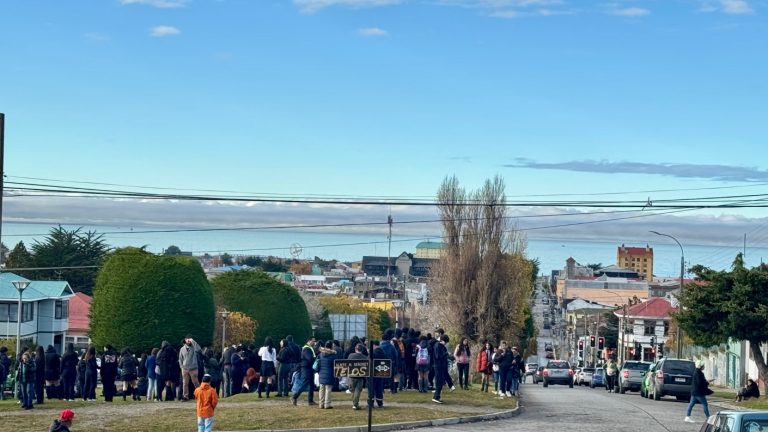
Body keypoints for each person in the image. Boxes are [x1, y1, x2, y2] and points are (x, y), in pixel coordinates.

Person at [291, 337, 317, 406]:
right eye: (313, 341)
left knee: (311, 384)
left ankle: (310, 400)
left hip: (309, 368)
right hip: (306, 368)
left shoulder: (309, 348)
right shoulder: (306, 349)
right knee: (305, 383)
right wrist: (315, 358)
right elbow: (310, 358)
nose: (314, 342)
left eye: (315, 341)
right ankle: (294, 396)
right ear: (309, 341)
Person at [179, 337, 202, 401]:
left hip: (193, 368)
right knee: (185, 383)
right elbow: (180, 359)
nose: (188, 341)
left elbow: (199, 349)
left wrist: (193, 341)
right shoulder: (182, 349)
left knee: (195, 382)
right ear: (185, 340)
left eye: (189, 340)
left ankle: (200, 395)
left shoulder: (194, 347)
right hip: (185, 368)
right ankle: (185, 396)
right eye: (187, 339)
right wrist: (181, 367)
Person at [348, 343, 368, 410]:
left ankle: (354, 403)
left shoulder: (350, 356)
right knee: (358, 391)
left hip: (352, 376)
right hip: (360, 376)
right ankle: (355, 404)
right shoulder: (365, 357)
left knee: (353, 390)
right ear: (362, 349)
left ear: (355, 349)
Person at [317, 341, 337, 409]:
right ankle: (327, 404)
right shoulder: (333, 355)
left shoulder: (321, 354)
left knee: (321, 389)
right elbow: (334, 364)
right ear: (331, 347)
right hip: (329, 373)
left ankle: (321, 404)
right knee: (328, 389)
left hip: (321, 373)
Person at [431, 334, 450, 404]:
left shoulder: (440, 346)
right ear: (442, 340)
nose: (446, 343)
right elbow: (438, 356)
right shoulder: (437, 345)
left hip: (440, 366)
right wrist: (445, 354)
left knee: (440, 381)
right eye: (446, 342)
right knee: (439, 381)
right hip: (438, 366)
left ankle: (437, 396)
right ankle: (436, 397)